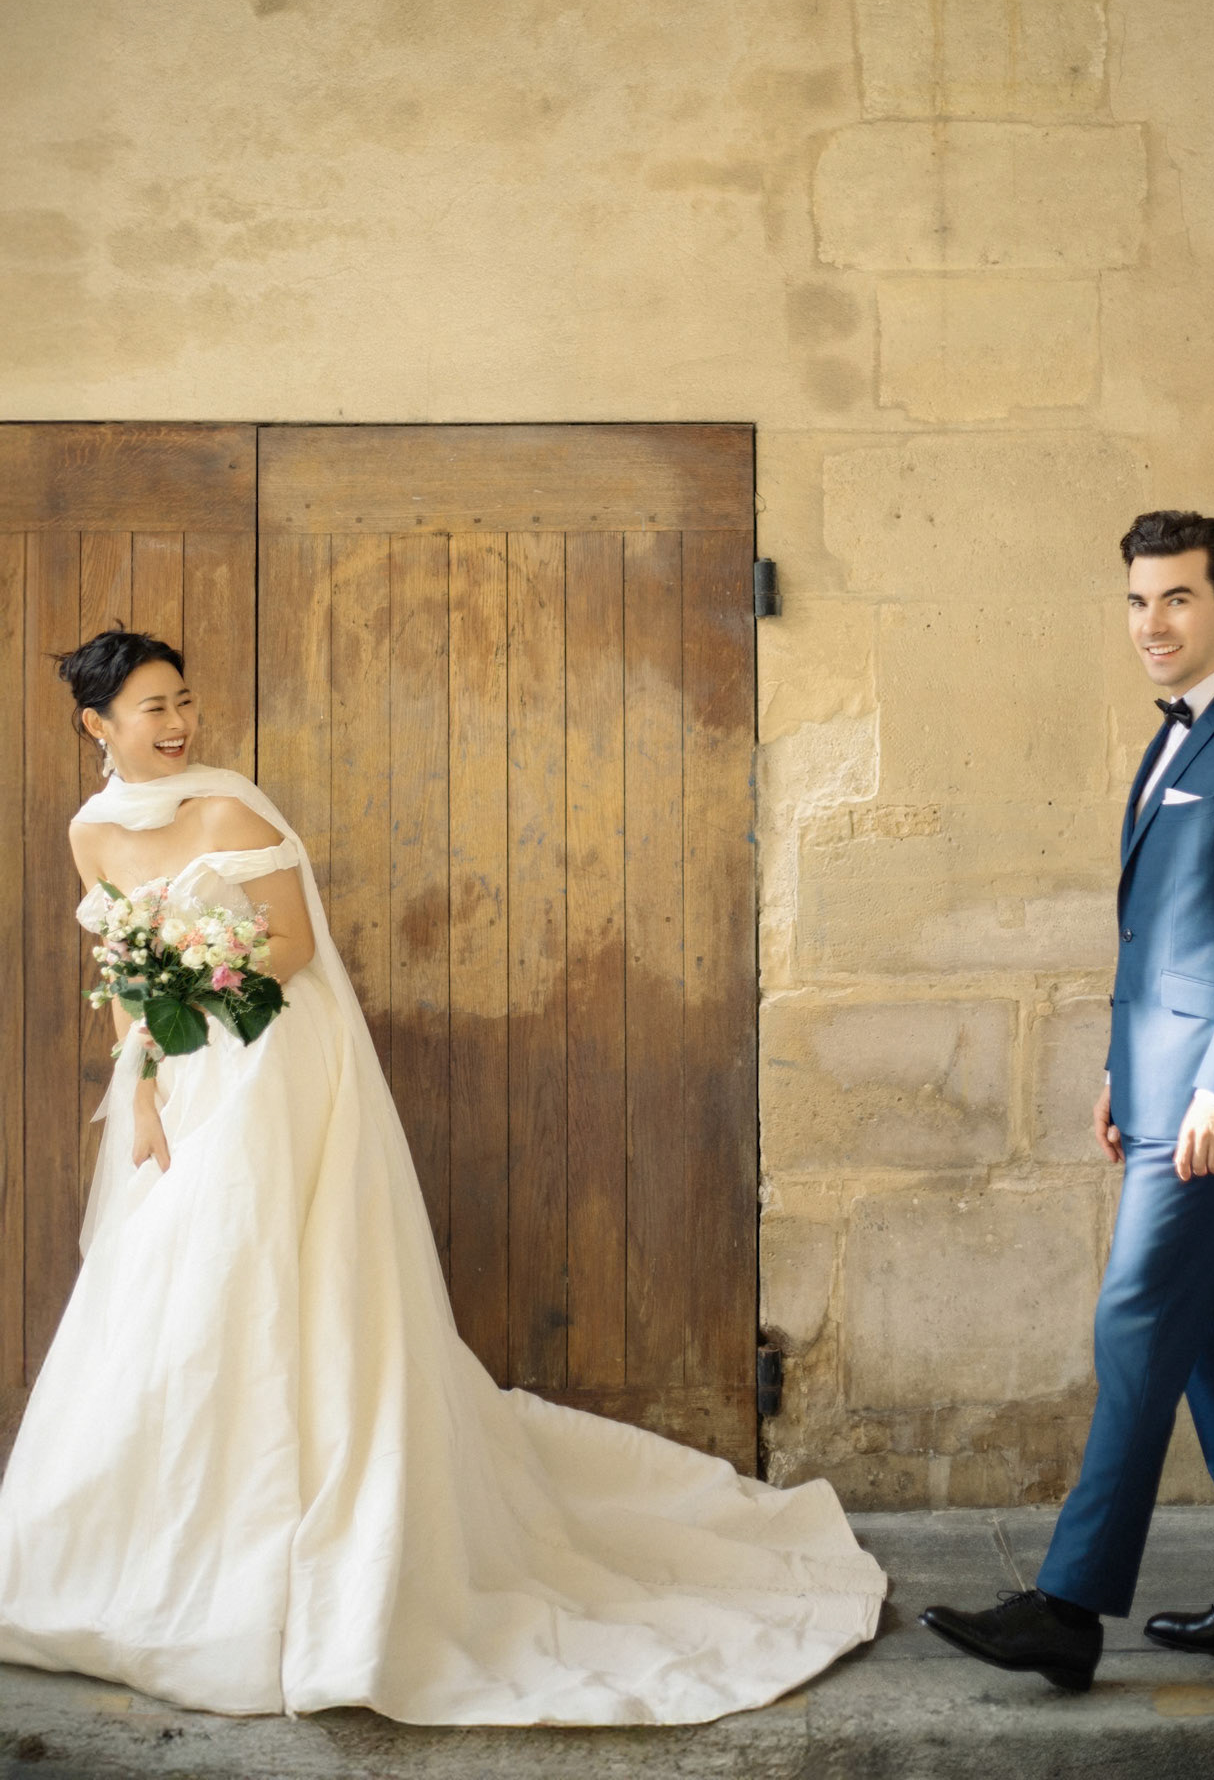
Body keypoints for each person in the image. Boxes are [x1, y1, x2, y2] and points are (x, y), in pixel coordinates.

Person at [0, 626, 887, 1724]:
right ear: (98, 725)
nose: (179, 723)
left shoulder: (231, 810)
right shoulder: (90, 831)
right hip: (181, 1072)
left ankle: (310, 1536)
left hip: (271, 1059)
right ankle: (162, 1548)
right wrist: (135, 1083)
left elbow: (292, 947)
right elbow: (119, 965)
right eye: (153, 708)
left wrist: (195, 966)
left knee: (271, 1268)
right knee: (171, 1291)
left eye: (184, 699)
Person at [921, 510, 1214, 1692]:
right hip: (1157, 1083)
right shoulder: (1172, 740)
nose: (1154, 622)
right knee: (1213, 1327)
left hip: (1211, 1098)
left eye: (1179, 598)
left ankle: (1067, 1604)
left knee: (1136, 1314)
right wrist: (1118, 1067)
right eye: (1139, 601)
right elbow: (1160, 938)